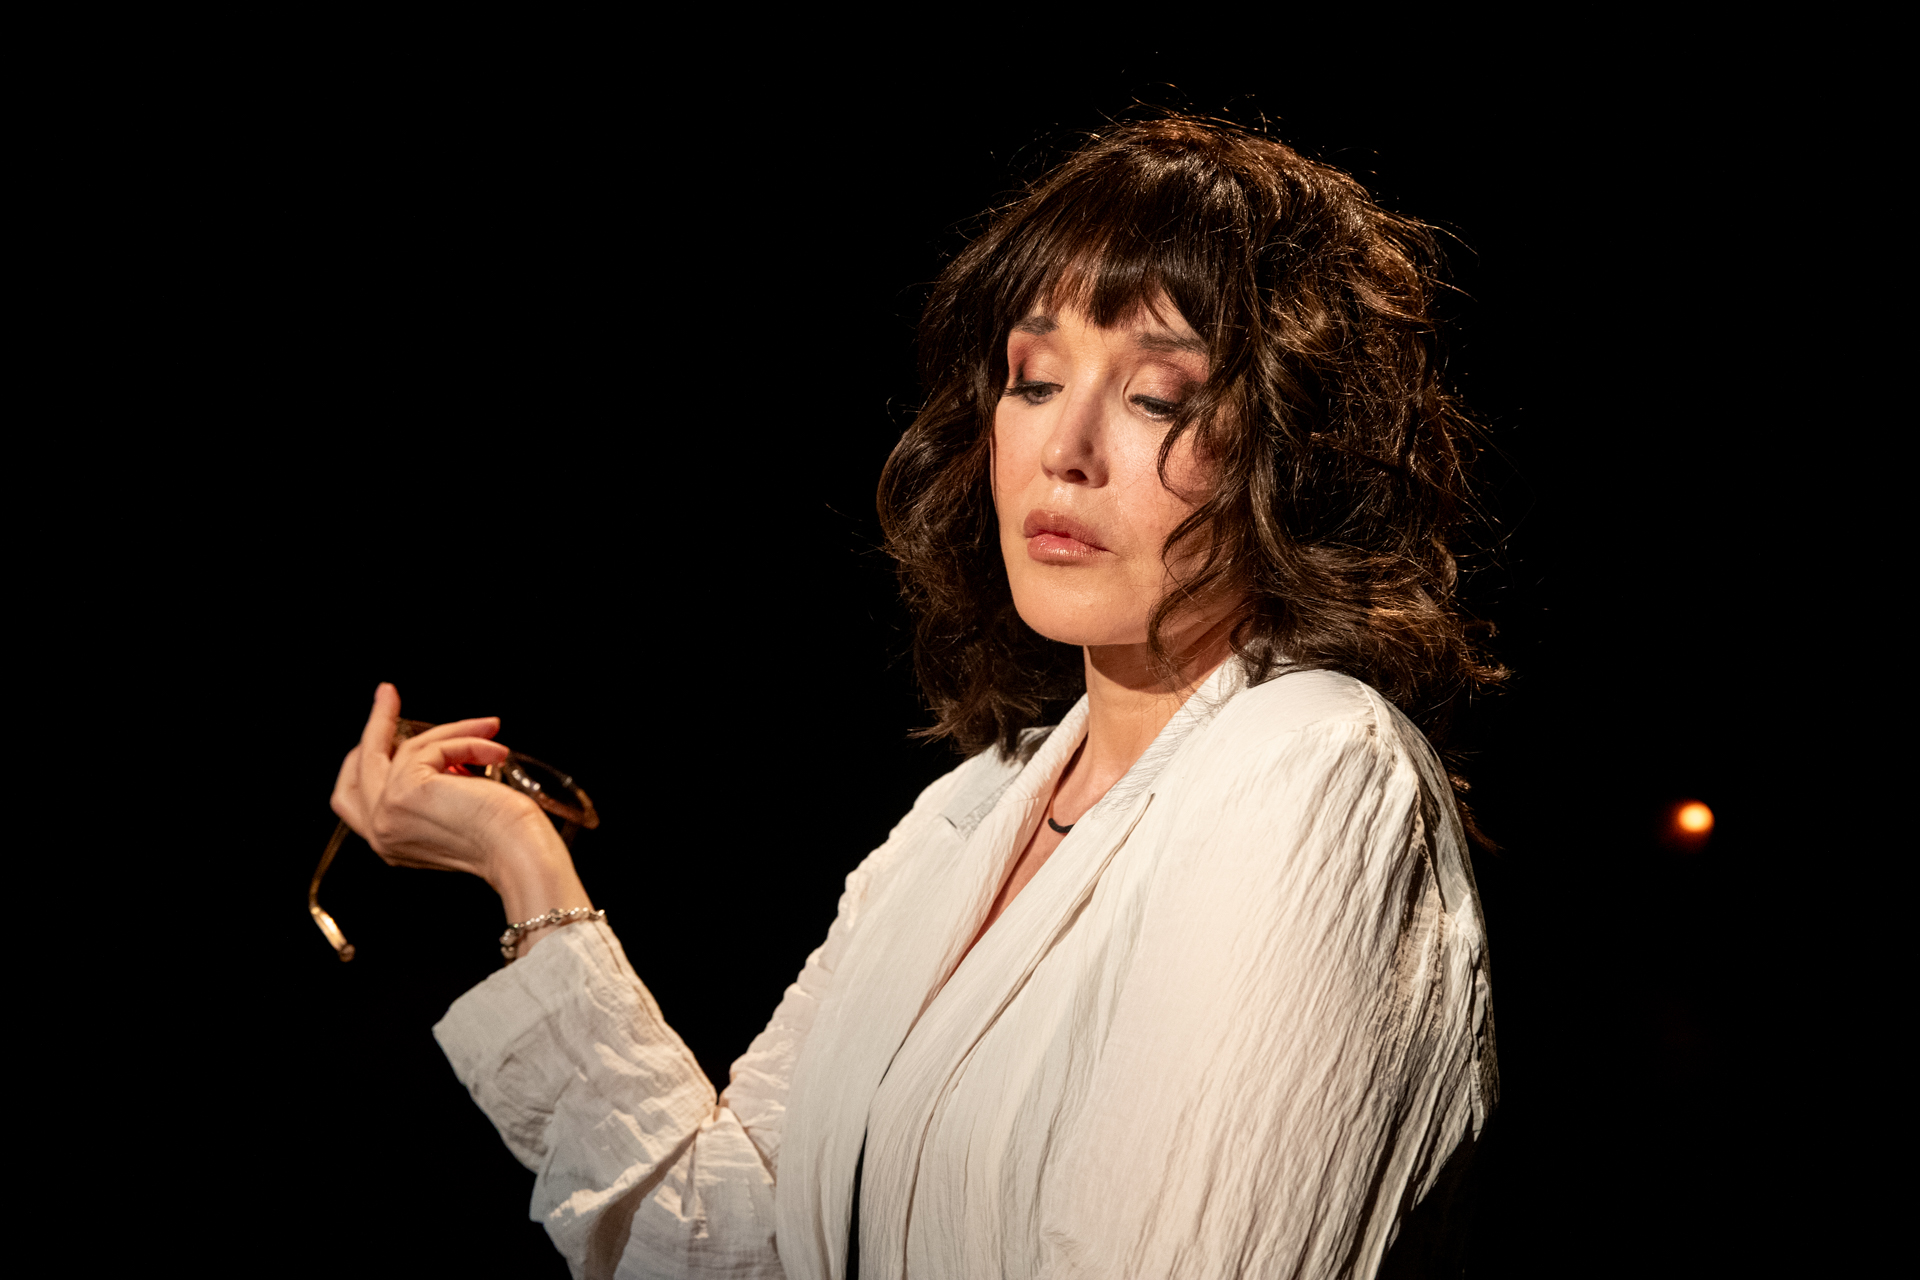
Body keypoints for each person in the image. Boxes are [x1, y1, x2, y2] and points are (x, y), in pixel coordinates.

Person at [329, 116, 1503, 1279]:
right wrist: (525, 865)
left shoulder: (1313, 761)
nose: (1066, 448)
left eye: (1156, 398)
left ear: (1293, 450)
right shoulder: (968, 813)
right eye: (1034, 380)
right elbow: (723, 1243)